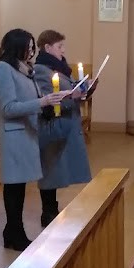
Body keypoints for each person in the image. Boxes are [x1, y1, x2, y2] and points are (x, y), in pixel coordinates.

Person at [0, 28, 69, 251]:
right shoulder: (2, 69)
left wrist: (49, 102)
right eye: (29, 47)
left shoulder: (25, 69)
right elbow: (8, 108)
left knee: (19, 186)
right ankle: (14, 232)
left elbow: (32, 98)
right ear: (16, 46)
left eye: (33, 47)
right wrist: (42, 103)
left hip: (27, 133)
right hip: (13, 136)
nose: (32, 51)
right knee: (14, 186)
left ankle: (12, 231)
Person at [32, 29, 93, 227]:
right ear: (47, 47)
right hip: (51, 124)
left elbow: (67, 88)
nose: (63, 50)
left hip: (65, 121)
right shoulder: (42, 70)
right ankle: (48, 212)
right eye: (59, 46)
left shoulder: (58, 67)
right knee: (50, 169)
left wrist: (84, 88)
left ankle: (52, 210)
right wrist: (73, 95)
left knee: (56, 168)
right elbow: (49, 97)